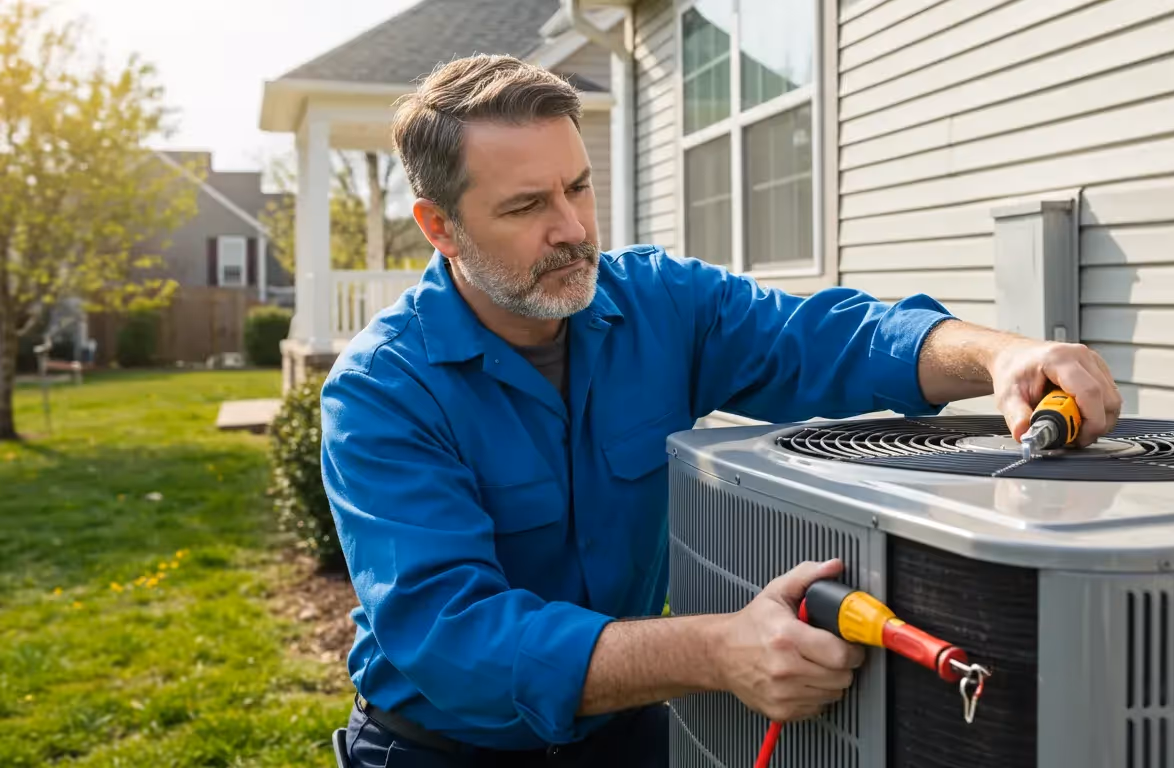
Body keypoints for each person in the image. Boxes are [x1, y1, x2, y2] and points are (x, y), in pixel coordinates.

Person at [320, 54, 1122, 767]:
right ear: (440, 227)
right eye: (527, 205)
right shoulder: (383, 391)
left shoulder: (661, 305)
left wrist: (995, 355)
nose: (572, 230)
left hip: (622, 730)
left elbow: (826, 341)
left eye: (578, 186)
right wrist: (714, 649)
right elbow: (453, 637)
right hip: (441, 749)